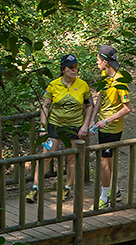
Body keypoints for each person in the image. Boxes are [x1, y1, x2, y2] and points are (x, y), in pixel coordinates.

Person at [26, 54, 93, 203]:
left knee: (71, 158)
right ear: (63, 69)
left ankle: (67, 188)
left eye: (75, 67)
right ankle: (35, 188)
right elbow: (45, 106)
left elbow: (89, 105)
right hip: (54, 127)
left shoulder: (83, 85)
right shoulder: (53, 85)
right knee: (45, 156)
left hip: (74, 127)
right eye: (70, 68)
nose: (74, 70)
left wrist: (85, 125)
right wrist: (43, 128)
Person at [89, 45, 132, 208]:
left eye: (98, 60)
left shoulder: (120, 82)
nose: (96, 62)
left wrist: (107, 120)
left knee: (104, 163)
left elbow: (128, 108)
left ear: (105, 62)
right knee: (104, 161)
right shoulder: (103, 75)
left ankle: (104, 199)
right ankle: (115, 190)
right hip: (102, 126)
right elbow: (100, 97)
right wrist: (93, 118)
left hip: (112, 128)